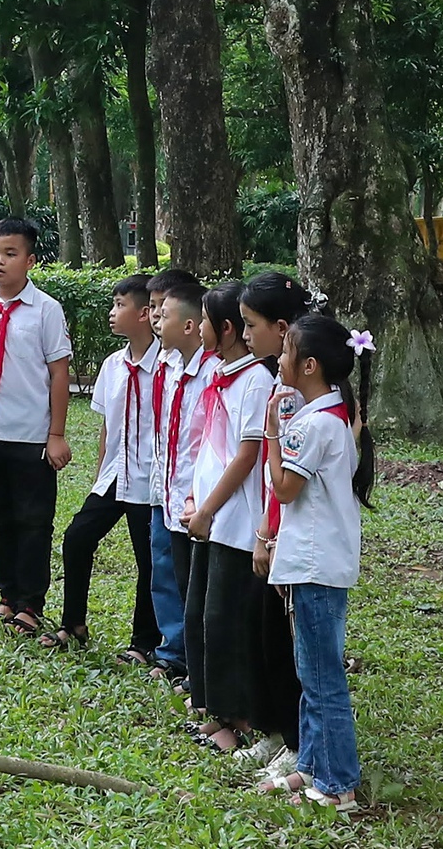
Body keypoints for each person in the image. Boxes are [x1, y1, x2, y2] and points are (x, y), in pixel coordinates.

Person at [261, 313, 376, 816]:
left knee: (323, 674)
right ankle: (311, 763)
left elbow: (285, 489)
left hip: (315, 563)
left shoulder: (314, 425)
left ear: (308, 365)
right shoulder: (328, 417)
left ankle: (337, 783)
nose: (279, 359)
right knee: (310, 669)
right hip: (317, 560)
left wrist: (270, 432)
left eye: (285, 351)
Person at [202, 272, 312, 781]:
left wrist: (269, 533)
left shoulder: (296, 398)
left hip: (293, 538)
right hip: (269, 532)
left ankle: (297, 742)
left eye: (252, 326)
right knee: (264, 640)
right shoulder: (279, 387)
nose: (245, 336)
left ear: (283, 329)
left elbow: (281, 481)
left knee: (292, 651)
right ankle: (272, 731)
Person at [0, 217, 73, 635]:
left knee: (33, 520)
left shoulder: (46, 310)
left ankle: (30, 603)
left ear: (30, 260)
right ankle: (6, 596)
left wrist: (55, 434)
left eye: (10, 253)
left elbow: (59, 373)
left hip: (29, 436)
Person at [46, 273, 158, 657]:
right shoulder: (113, 365)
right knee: (77, 538)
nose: (112, 313)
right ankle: (72, 623)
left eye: (120, 306)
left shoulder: (168, 366)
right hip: (115, 475)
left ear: (145, 313)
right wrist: (98, 476)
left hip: (150, 481)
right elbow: (108, 426)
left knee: (149, 563)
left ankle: (144, 642)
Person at [182, 281, 274, 752]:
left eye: (203, 321)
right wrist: (195, 502)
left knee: (227, 621)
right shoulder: (219, 375)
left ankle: (236, 720)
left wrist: (210, 508)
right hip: (210, 520)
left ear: (226, 329)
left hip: (237, 523)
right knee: (200, 614)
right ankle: (210, 707)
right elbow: (206, 449)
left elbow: (245, 456)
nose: (196, 329)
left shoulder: (256, 381)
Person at [140, 269, 204, 681]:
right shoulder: (164, 360)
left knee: (191, 580)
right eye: (153, 310)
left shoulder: (208, 370)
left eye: (162, 310)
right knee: (162, 571)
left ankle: (191, 659)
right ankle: (171, 651)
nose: (154, 318)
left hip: (195, 495)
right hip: (163, 487)